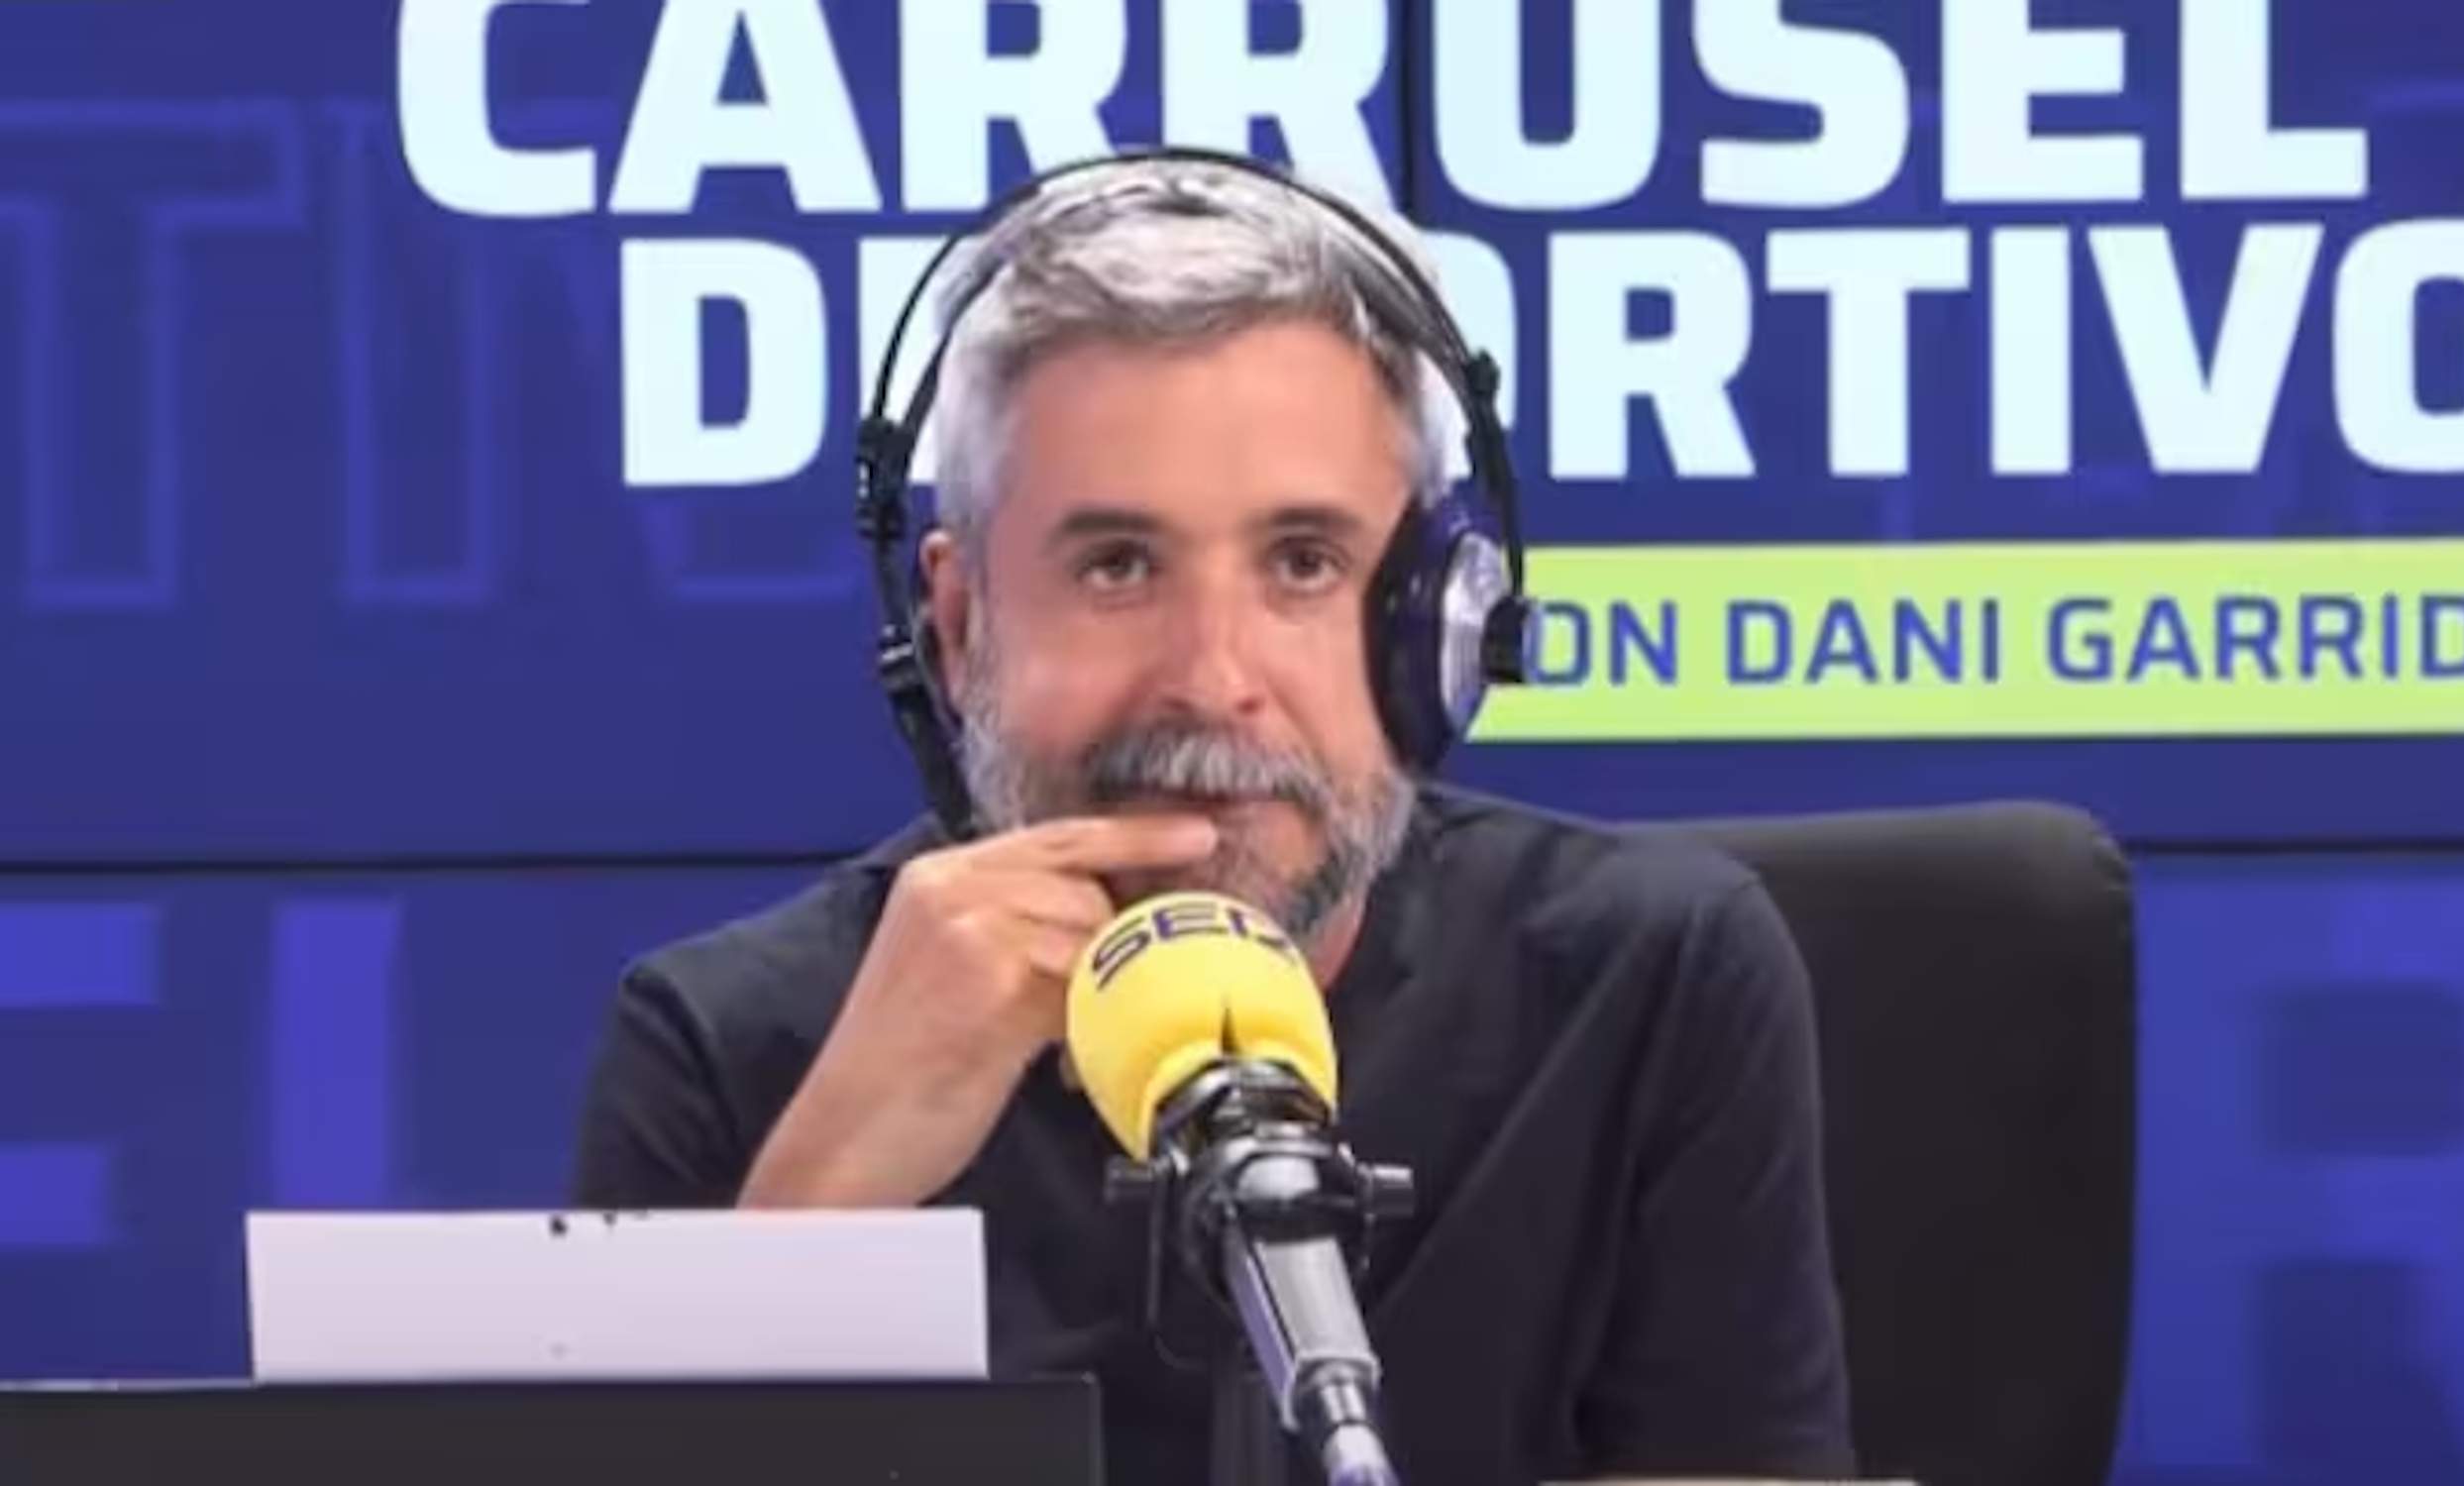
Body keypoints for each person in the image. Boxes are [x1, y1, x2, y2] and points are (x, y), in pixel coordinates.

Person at [572, 155, 1854, 1486]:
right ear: (956, 626)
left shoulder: (1648, 985)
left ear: (1439, 626)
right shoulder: (729, 1049)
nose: (1212, 678)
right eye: (1117, 566)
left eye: (1303, 564)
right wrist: (825, 1198)